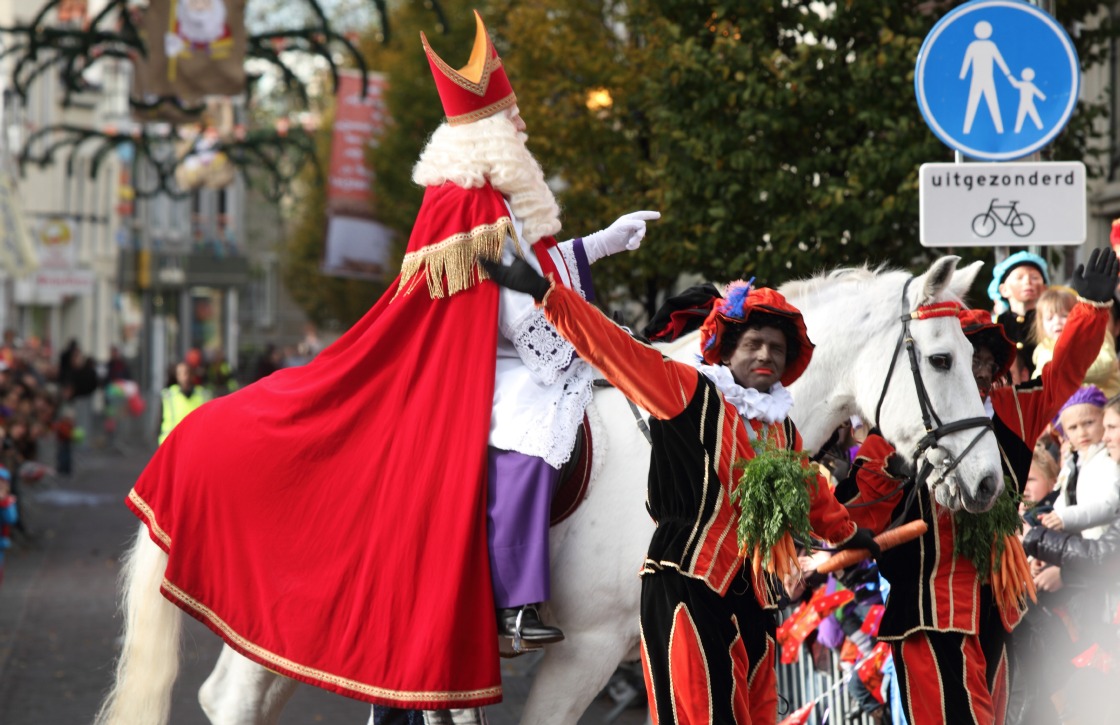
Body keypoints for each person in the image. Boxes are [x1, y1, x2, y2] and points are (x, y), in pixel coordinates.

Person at [122, 10, 655, 717]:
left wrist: (601, 246)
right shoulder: (472, 197)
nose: (524, 127)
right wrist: (580, 340)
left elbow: (532, 267)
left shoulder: (491, 193)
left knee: (553, 409)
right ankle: (515, 600)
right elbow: (510, 304)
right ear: (492, 135)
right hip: (489, 361)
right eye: (514, 118)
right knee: (537, 429)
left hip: (497, 350)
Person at [480, 260, 877, 724]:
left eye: (777, 347)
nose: (766, 354)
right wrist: (549, 295)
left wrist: (850, 535)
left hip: (751, 598)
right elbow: (615, 350)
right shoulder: (686, 391)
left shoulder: (781, 431)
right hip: (686, 588)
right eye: (753, 344)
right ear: (727, 352)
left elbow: (812, 494)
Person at [848, 248, 1118, 725]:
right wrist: (891, 469)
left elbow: (1066, 371)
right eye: (967, 355)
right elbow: (856, 517)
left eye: (987, 359)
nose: (978, 369)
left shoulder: (1015, 409)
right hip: (929, 611)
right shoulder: (900, 429)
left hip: (998, 608)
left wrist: (1092, 310)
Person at [1041, 386, 1120, 539]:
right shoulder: (1073, 460)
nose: (1082, 433)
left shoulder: (1111, 456)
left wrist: (1065, 518)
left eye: (1089, 423)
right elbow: (1064, 498)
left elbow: (1110, 505)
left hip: (1104, 545)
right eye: (1073, 427)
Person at [1031, 287, 1120, 397]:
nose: (1057, 322)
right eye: (1049, 318)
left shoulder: (1096, 337)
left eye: (1064, 316)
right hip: (1067, 406)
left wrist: (1063, 371)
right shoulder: (1044, 349)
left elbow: (1104, 368)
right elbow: (1040, 380)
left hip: (1104, 401)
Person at [988, 251, 1048, 376]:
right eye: (1019, 277)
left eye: (1035, 278)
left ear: (1044, 289)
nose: (1028, 282)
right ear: (1004, 290)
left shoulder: (1050, 322)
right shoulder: (993, 324)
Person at [157, 361, 211, 445]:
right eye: (180, 374)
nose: (184, 377)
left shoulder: (203, 395)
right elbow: (158, 424)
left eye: (187, 373)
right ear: (176, 376)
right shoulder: (168, 396)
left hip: (196, 444)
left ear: (192, 375)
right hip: (172, 445)